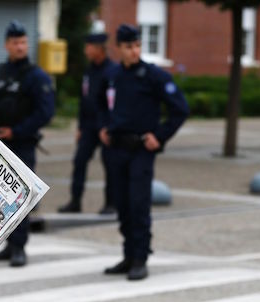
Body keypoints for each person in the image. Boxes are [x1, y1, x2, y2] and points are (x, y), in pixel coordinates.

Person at [99, 24, 189, 281]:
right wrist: (102, 127)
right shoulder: (112, 74)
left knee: (138, 205)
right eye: (129, 47)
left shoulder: (154, 76)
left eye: (137, 46)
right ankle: (128, 255)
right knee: (122, 204)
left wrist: (159, 137)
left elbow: (180, 109)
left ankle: (140, 258)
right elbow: (97, 103)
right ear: (119, 48)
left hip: (140, 150)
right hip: (116, 149)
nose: (134, 51)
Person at [0, 20, 55, 267]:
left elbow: (45, 112)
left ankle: (19, 247)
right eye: (15, 43)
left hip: (21, 144)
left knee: (21, 198)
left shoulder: (36, 76)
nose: (20, 47)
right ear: (7, 45)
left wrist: (17, 131)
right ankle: (8, 244)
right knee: (0, 200)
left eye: (23, 42)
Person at [58, 27, 117, 214]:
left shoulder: (113, 71)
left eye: (89, 46)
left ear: (99, 48)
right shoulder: (89, 71)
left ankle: (111, 203)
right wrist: (80, 127)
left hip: (106, 127)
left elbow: (113, 104)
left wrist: (109, 126)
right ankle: (75, 201)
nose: (86, 50)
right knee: (79, 161)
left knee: (111, 165)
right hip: (90, 127)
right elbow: (84, 100)